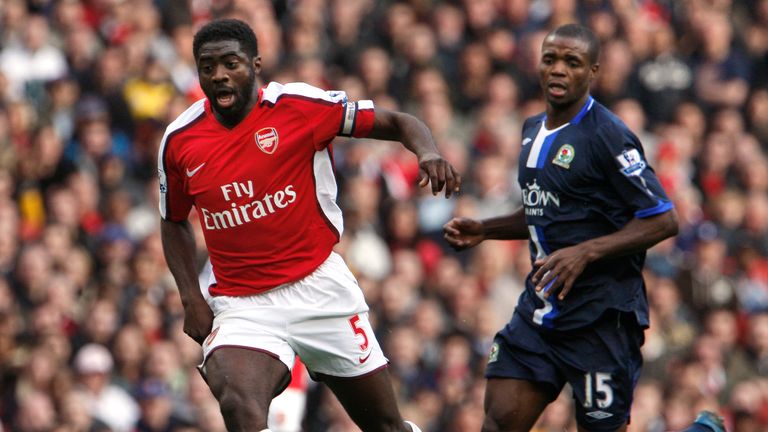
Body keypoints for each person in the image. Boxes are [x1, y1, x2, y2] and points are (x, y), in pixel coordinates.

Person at [158, 18, 460, 432]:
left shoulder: (299, 107)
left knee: (385, 425)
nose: (219, 75)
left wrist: (427, 153)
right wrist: (190, 296)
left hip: (318, 287)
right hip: (243, 304)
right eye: (207, 67)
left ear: (256, 63)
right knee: (236, 402)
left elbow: (397, 121)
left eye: (231, 63)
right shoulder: (180, 140)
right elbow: (172, 220)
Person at [443, 24, 724, 432]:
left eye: (572, 62)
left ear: (593, 72)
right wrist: (486, 229)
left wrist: (586, 252)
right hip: (540, 314)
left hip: (601, 320)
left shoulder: (608, 135)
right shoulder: (530, 130)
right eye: (550, 59)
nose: (558, 70)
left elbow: (664, 218)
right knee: (498, 422)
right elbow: (548, 210)